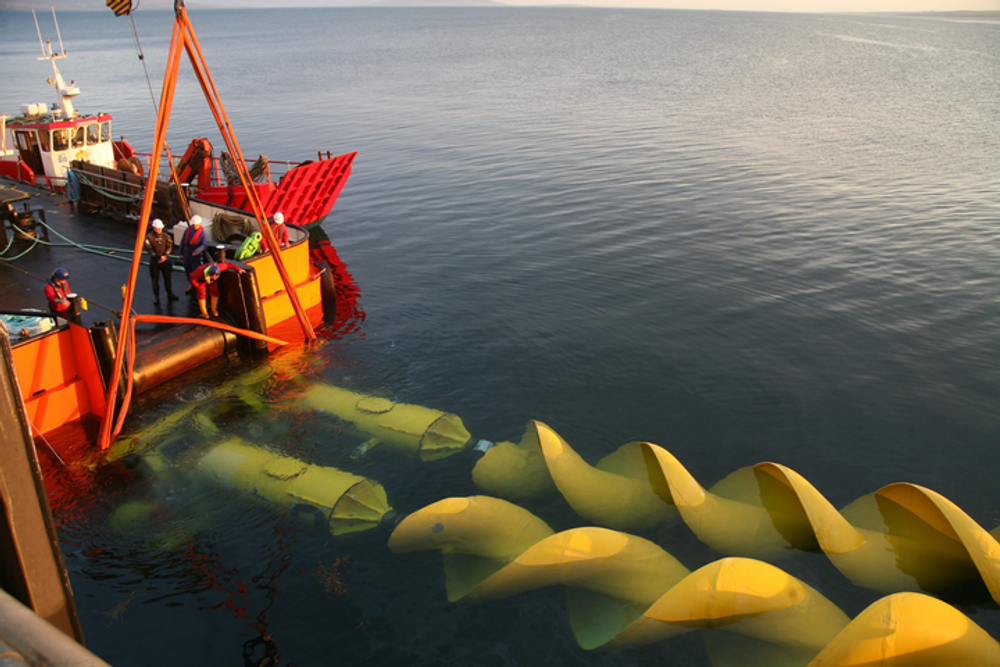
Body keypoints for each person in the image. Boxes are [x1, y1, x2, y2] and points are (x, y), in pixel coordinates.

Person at [145, 219, 178, 305]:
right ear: (154, 228)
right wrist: (157, 257)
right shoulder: (149, 237)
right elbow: (149, 249)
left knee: (167, 278)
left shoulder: (166, 236)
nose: (159, 230)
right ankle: (156, 296)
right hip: (154, 262)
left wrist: (165, 256)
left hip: (165, 261)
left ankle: (170, 293)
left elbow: (169, 247)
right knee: (155, 279)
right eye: (157, 228)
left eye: (160, 228)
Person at [180, 214, 209, 292]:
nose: (195, 225)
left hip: (195, 253)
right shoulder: (188, 230)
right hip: (187, 251)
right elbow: (183, 241)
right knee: (187, 267)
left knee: (195, 270)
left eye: (196, 224)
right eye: (194, 224)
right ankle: (191, 284)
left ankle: (196, 285)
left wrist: (197, 251)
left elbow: (204, 244)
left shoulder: (203, 233)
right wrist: (181, 252)